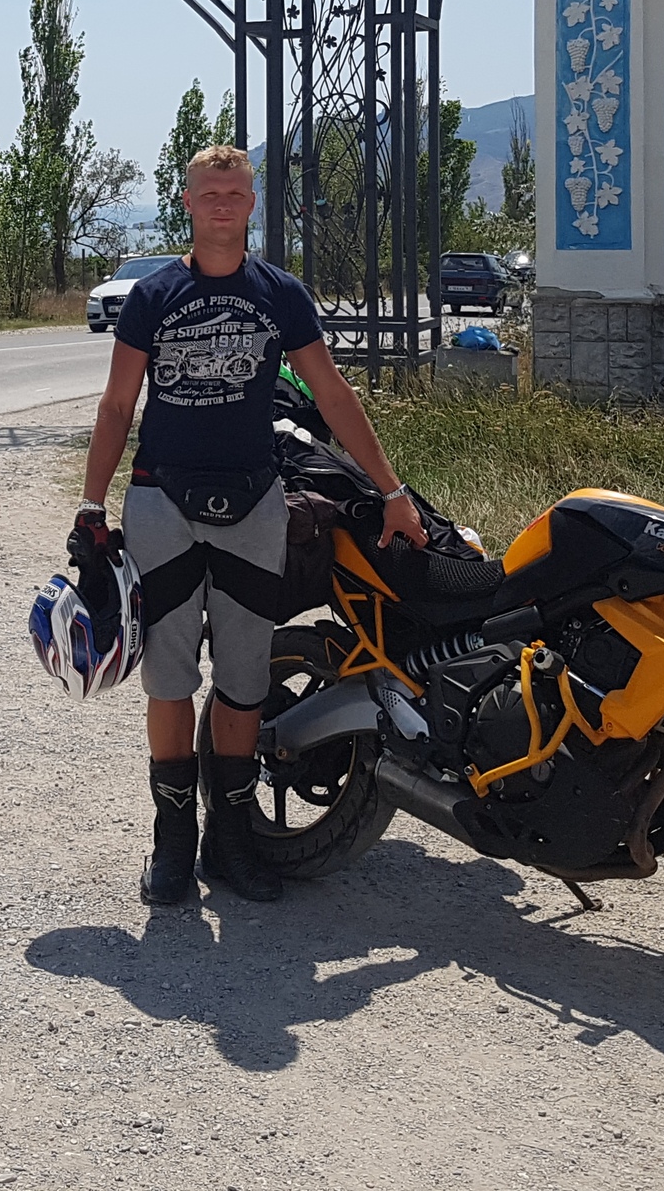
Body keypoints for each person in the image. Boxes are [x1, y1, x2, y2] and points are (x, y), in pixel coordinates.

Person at [73, 144, 426, 905]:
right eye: (210, 193)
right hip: (162, 503)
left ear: (252, 204)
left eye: (235, 193)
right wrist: (91, 508)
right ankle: (173, 843)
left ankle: (230, 841)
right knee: (169, 681)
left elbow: (332, 394)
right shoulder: (154, 296)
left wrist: (392, 490)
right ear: (187, 202)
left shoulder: (280, 294)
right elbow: (116, 405)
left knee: (242, 683)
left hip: (255, 505)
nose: (223, 205)